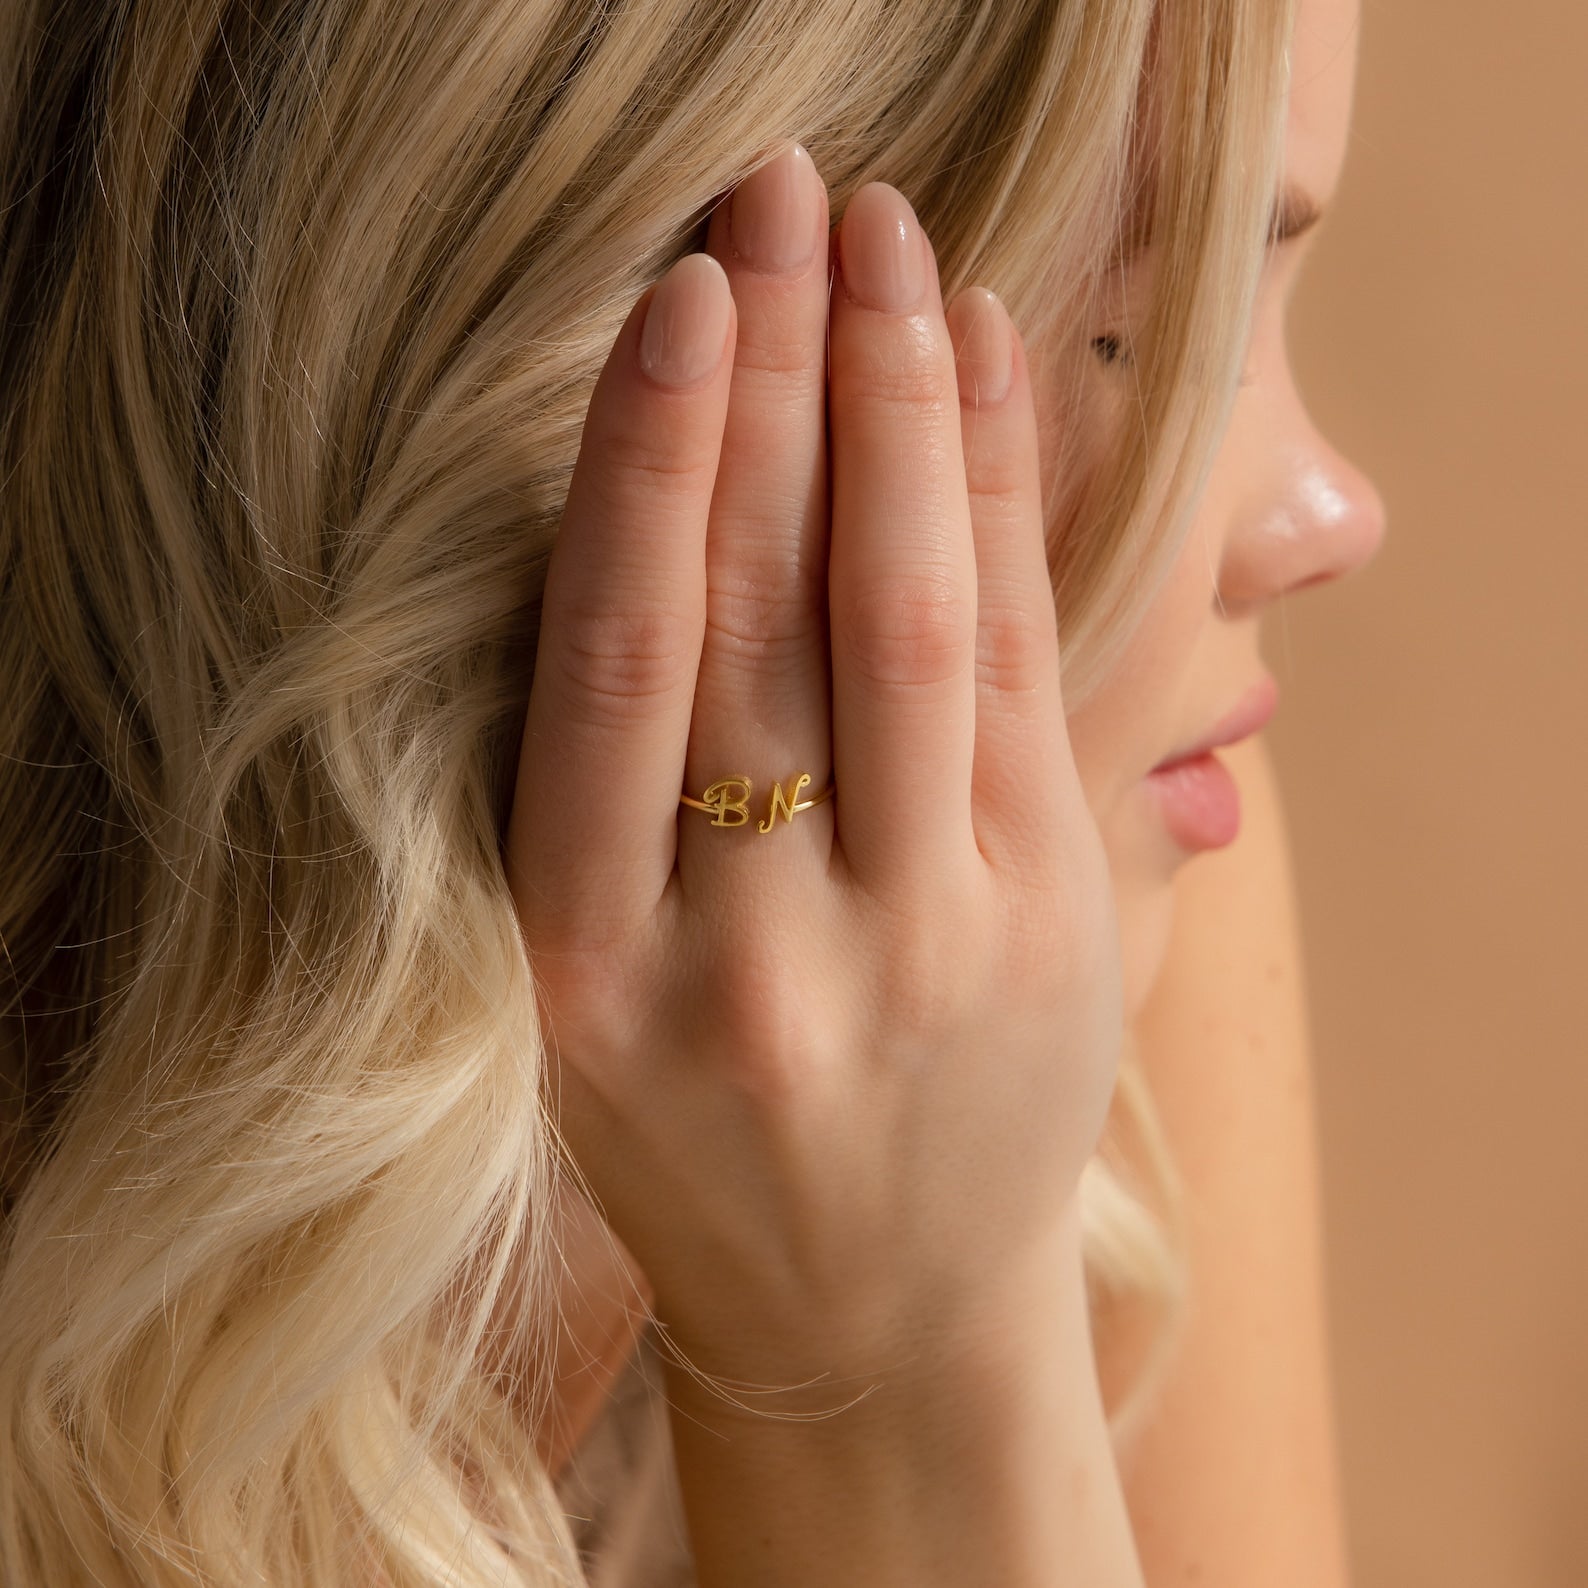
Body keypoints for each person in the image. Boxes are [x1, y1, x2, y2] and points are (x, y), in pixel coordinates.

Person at [0, 0, 1384, 1580]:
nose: (1333, 513)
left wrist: (913, 1350)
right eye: (1143, 336)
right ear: (567, 387)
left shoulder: (1104, 843)